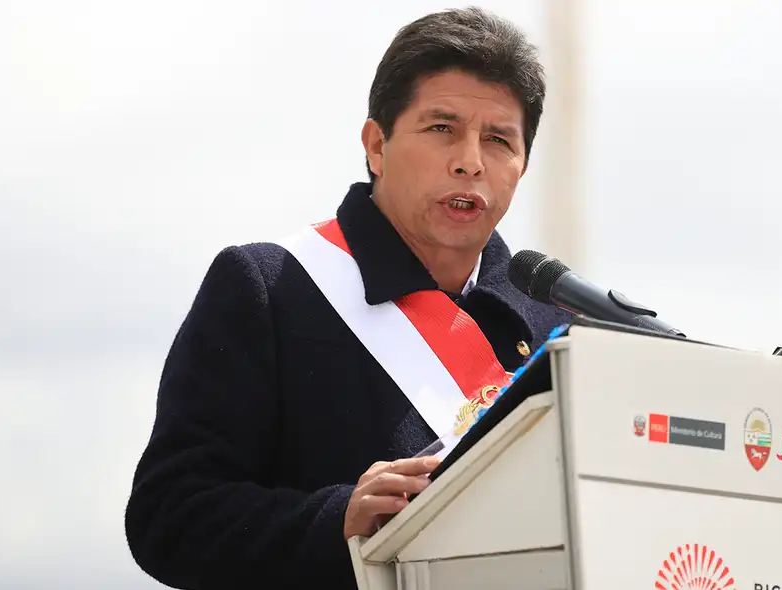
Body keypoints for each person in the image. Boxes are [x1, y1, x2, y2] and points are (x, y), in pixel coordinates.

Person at [124, 6, 572, 590]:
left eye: (498, 140)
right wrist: (336, 521)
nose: (470, 161)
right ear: (376, 144)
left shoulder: (555, 324)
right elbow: (169, 517)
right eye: (441, 128)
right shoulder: (273, 286)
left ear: (522, 164)